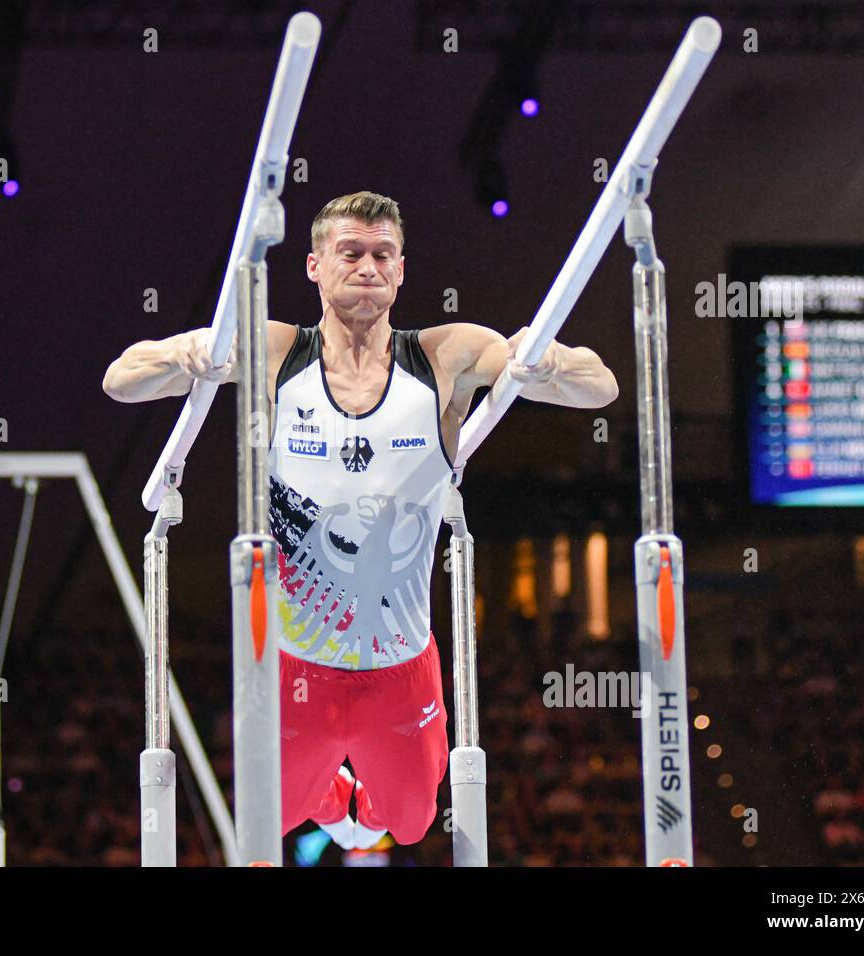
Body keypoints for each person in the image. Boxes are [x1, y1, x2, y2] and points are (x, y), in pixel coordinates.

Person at [103, 191, 618, 850]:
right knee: (271, 819)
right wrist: (186, 361)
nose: (368, 267)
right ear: (314, 265)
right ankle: (328, 794)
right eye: (350, 252)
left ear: (402, 269)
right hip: (294, 666)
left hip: (399, 668)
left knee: (408, 824)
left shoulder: (446, 357)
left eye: (383, 254)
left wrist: (545, 364)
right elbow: (121, 380)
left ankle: (355, 802)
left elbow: (598, 385)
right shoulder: (271, 351)